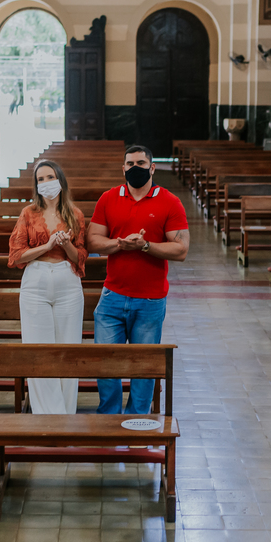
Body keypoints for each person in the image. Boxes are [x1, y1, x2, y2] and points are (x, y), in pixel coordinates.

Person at [86, 145, 190, 414]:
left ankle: (137, 421)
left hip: (150, 299)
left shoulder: (169, 201)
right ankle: (109, 417)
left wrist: (145, 246)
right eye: (130, 164)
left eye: (141, 163)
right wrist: (119, 244)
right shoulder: (109, 198)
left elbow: (180, 249)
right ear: (123, 169)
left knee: (143, 365)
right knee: (106, 362)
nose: (135, 168)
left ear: (152, 167)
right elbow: (93, 239)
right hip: (113, 296)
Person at [8, 160, 88, 414]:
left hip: (67, 283)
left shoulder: (75, 215)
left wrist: (65, 245)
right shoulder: (28, 213)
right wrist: (46, 245)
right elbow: (15, 256)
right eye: (39, 179)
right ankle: (47, 418)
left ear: (60, 180)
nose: (45, 183)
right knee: (38, 351)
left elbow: (80, 258)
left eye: (49, 177)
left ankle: (67, 416)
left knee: (68, 349)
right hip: (36, 283)